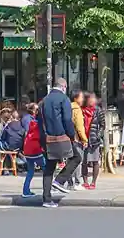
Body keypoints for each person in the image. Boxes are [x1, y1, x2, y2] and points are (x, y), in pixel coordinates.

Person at [39, 77, 81, 208]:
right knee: (76, 157)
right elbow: (67, 119)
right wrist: (71, 135)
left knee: (49, 168)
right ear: (64, 86)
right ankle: (60, 180)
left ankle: (46, 199)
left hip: (47, 138)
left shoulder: (44, 100)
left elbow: (40, 121)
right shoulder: (64, 99)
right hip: (61, 136)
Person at [81, 93, 103, 189]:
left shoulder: (98, 110)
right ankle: (85, 181)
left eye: (93, 99)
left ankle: (93, 182)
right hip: (84, 138)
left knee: (95, 161)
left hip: (94, 139)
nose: (92, 100)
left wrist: (98, 135)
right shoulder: (82, 110)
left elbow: (103, 125)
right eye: (90, 99)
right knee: (84, 161)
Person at [21, 103, 44, 197]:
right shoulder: (33, 121)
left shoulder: (31, 120)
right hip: (35, 149)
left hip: (28, 149)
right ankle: (49, 188)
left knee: (31, 170)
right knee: (46, 168)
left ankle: (26, 191)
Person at [68, 90, 87, 189]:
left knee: (70, 160)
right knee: (78, 160)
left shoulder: (67, 107)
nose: (83, 99)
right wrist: (84, 139)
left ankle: (70, 183)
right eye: (81, 97)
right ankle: (77, 182)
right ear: (75, 98)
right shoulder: (77, 109)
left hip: (68, 138)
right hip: (76, 138)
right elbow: (80, 127)